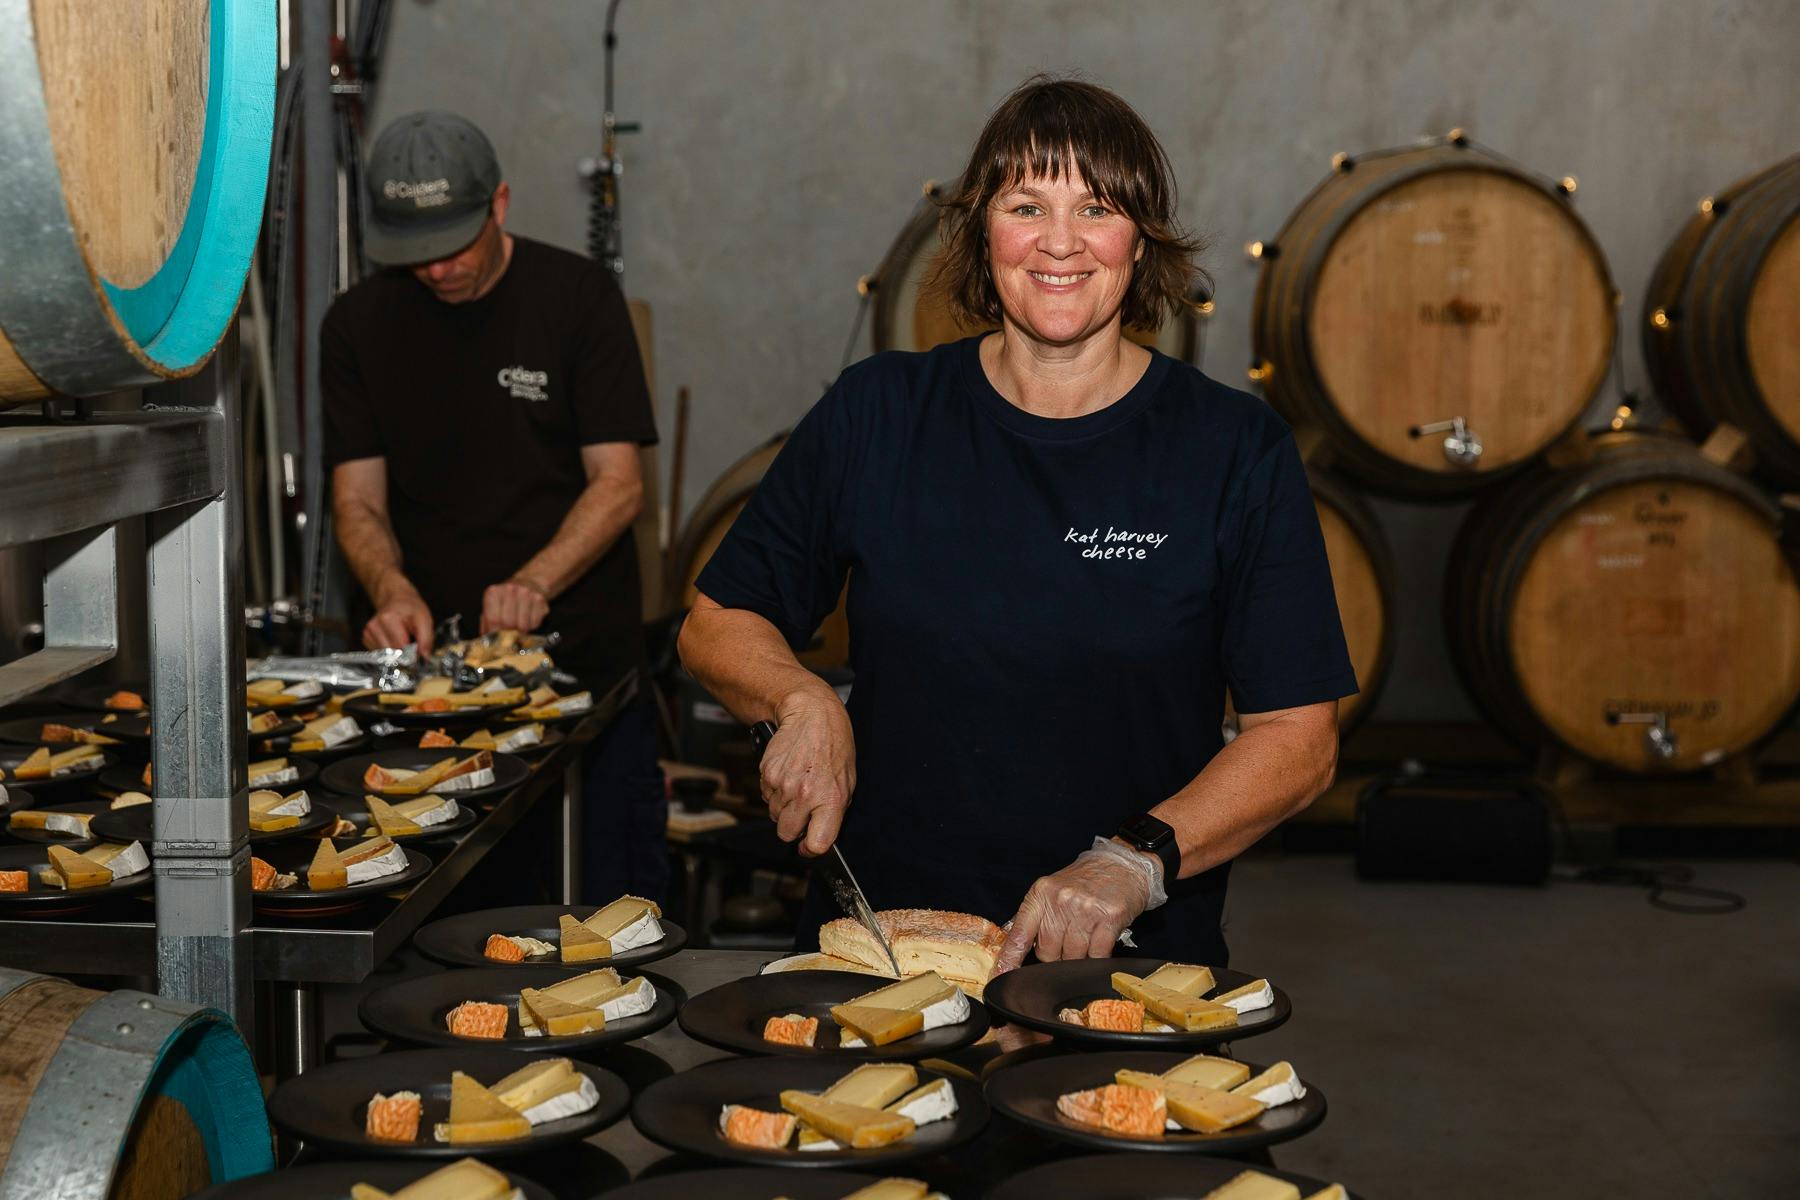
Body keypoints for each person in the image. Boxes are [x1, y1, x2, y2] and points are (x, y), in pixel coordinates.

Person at [679, 77, 1354, 971]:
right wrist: (798, 697)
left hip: (1128, 966)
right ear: (981, 231)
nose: (1060, 243)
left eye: (1098, 208)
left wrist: (1134, 860)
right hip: (885, 950)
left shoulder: (1231, 449)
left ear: (1143, 241)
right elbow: (717, 619)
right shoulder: (879, 412)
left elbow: (1299, 740)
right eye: (1027, 204)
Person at [322, 111, 667, 903]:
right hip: (435, 690)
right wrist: (391, 591)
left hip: (581, 674)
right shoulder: (356, 326)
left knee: (605, 915)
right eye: (416, 255)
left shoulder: (577, 300)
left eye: (454, 247)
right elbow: (356, 501)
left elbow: (619, 482)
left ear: (500, 205)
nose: (439, 271)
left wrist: (535, 581)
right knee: (446, 925)